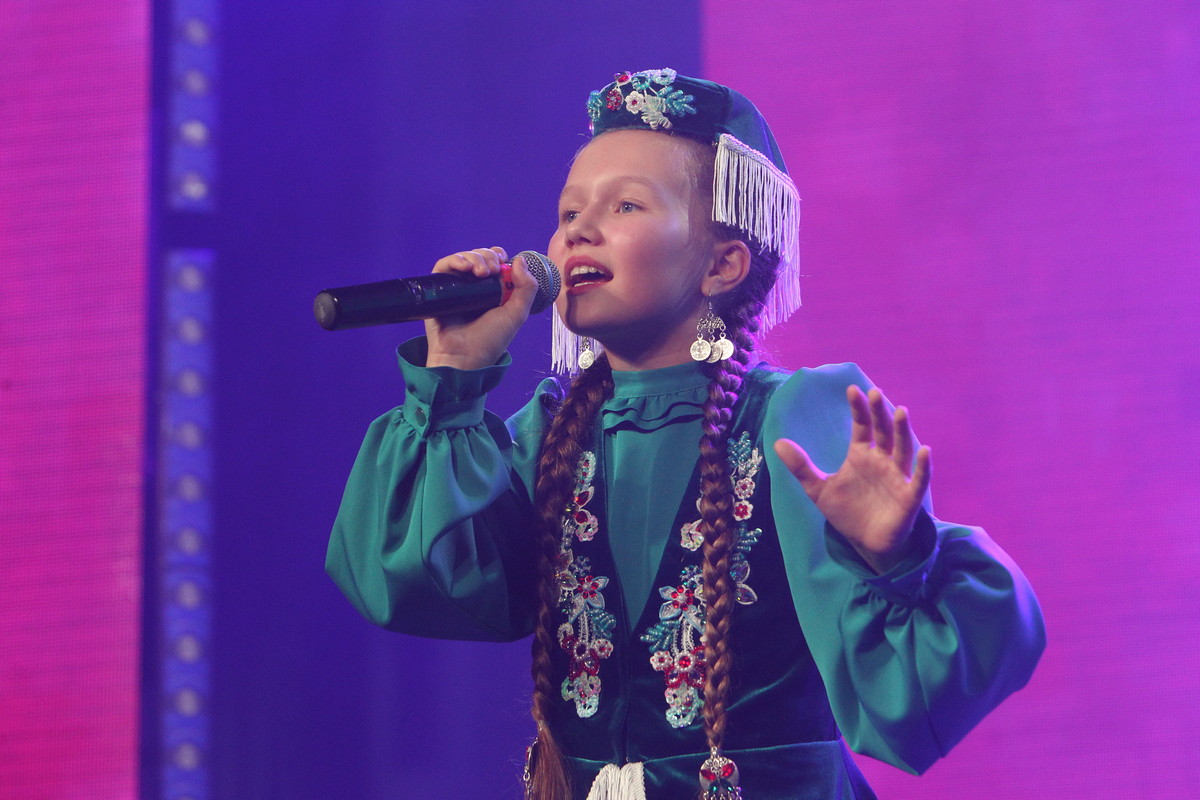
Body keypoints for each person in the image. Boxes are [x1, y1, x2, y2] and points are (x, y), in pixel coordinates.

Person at [326, 69, 1045, 800]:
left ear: (722, 264)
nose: (578, 229)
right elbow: (412, 579)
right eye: (569, 210)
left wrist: (898, 558)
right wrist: (453, 372)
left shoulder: (792, 418)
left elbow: (917, 697)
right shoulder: (551, 434)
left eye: (625, 205)